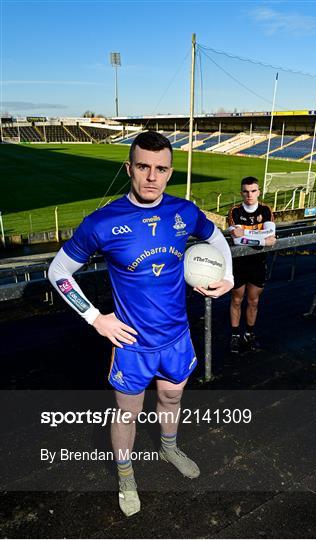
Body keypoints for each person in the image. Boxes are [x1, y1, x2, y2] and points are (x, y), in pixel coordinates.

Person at [48, 131, 233, 517]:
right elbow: (58, 270)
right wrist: (95, 318)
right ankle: (126, 475)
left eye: (161, 168)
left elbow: (216, 237)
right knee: (126, 414)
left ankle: (168, 447)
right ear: (129, 168)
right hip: (132, 343)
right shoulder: (102, 222)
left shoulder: (183, 212)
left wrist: (228, 277)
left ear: (170, 172)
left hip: (177, 336)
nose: (152, 176)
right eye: (143, 167)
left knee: (172, 398)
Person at [228, 176, 276, 354]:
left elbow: (271, 237)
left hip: (258, 262)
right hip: (239, 263)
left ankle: (249, 334)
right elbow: (238, 241)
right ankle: (234, 336)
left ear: (259, 191)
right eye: (246, 191)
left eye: (253, 191)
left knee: (253, 301)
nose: (250, 195)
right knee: (236, 300)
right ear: (241, 193)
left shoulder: (265, 210)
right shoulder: (234, 211)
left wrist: (246, 233)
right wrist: (261, 237)